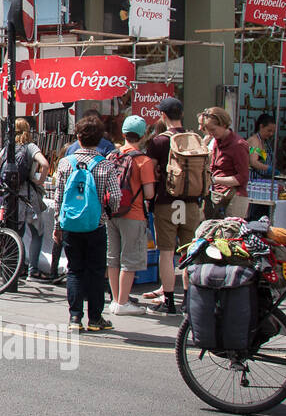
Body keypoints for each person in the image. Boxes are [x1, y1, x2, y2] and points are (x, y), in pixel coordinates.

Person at [52, 116, 121, 333]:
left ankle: (74, 317)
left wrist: (57, 225)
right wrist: (107, 213)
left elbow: (59, 198)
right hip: (96, 225)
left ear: (78, 137)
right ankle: (95, 318)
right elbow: (116, 196)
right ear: (100, 139)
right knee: (95, 271)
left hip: (71, 225)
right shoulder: (106, 165)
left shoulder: (65, 163)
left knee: (74, 270)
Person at [141, 96, 203, 315]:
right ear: (182, 115)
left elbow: (151, 171)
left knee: (166, 253)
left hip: (167, 202)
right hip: (192, 203)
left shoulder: (158, 142)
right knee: (189, 252)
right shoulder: (195, 138)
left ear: (163, 116)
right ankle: (190, 299)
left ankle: (168, 301)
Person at [106, 115, 156, 315]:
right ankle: (123, 302)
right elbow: (150, 193)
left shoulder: (112, 156)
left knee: (112, 258)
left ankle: (115, 299)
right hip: (133, 214)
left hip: (111, 213)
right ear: (143, 135)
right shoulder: (143, 161)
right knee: (129, 259)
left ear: (124, 133)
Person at [0, 117, 49, 280]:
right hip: (29, 196)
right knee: (36, 233)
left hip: (13, 196)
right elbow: (45, 164)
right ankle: (32, 270)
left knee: (17, 233)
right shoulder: (30, 146)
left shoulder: (9, 147)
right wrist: (38, 180)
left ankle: (17, 268)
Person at [202, 106, 250, 219]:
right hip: (217, 195)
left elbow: (242, 178)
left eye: (213, 130)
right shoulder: (216, 143)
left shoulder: (238, 145)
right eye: (208, 130)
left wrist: (215, 179)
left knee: (230, 234)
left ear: (223, 125)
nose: (210, 134)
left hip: (235, 198)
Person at [247, 113, 276, 180]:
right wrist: (268, 169)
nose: (271, 134)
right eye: (269, 130)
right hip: (253, 179)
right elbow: (253, 162)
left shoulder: (265, 142)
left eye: (273, 131)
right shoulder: (254, 141)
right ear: (261, 126)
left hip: (264, 179)